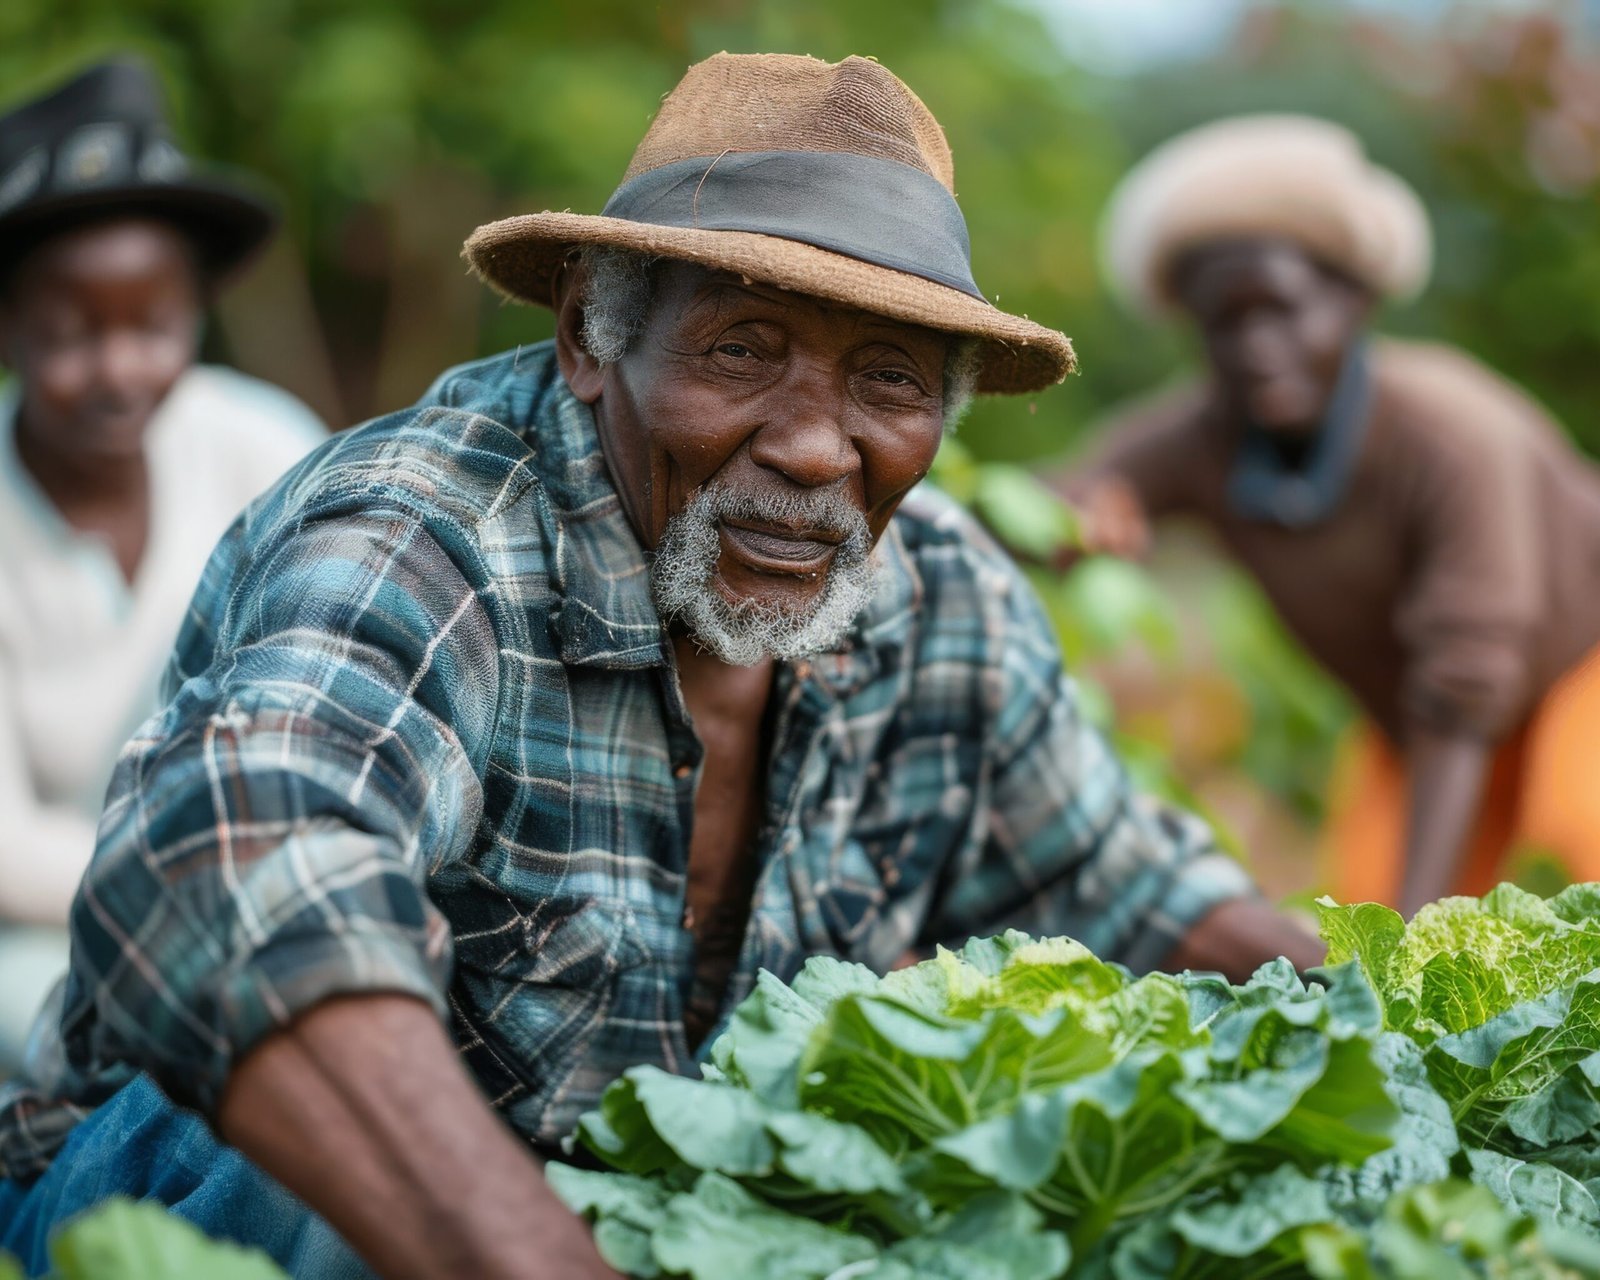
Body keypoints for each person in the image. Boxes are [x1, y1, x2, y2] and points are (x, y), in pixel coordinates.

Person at [0, 55, 1319, 1279]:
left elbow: (1123, 881)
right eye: (741, 350)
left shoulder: (944, 598)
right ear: (590, 338)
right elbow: (230, 872)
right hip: (183, 1203)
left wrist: (1388, 1045)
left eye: (891, 380)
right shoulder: (430, 538)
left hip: (617, 1219)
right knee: (338, 1151)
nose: (816, 448)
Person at [1053, 114, 1600, 919]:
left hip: (1574, 670)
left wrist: (1416, 937)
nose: (1255, 347)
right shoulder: (1204, 435)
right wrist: (1083, 516)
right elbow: (1064, 494)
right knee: (1362, 919)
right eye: (1223, 322)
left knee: (1571, 875)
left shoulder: (1453, 434)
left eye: (1282, 309)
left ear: (1353, 303)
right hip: (1412, 726)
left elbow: (1465, 684)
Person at [0, 59, 326, 1074]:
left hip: (278, 884)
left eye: (153, 325)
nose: (117, 369)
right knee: (139, 1050)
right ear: (6, 327)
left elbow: (333, 689)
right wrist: (198, 892)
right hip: (49, 932)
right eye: (67, 333)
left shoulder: (261, 445)